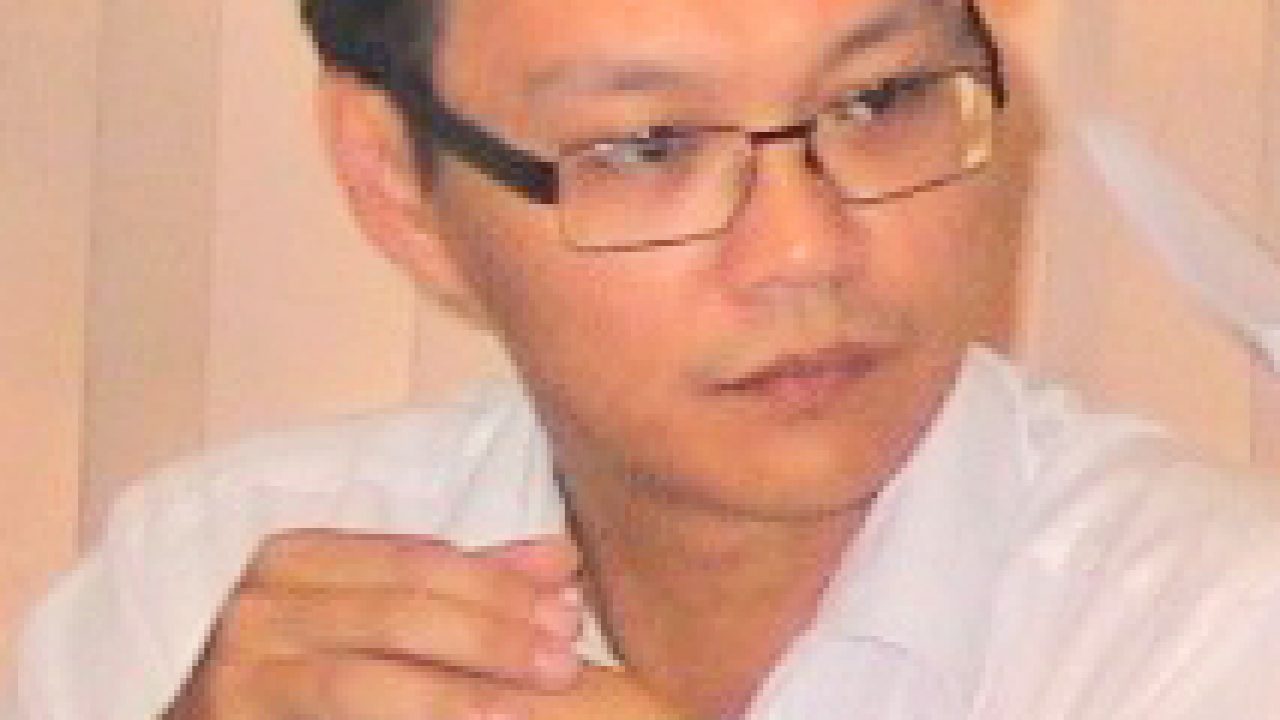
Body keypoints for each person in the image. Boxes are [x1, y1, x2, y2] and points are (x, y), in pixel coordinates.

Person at [6, 0, 1280, 718]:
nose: (802, 251)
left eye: (877, 102)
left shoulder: (1211, 628)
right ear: (396, 185)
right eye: (648, 145)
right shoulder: (209, 585)